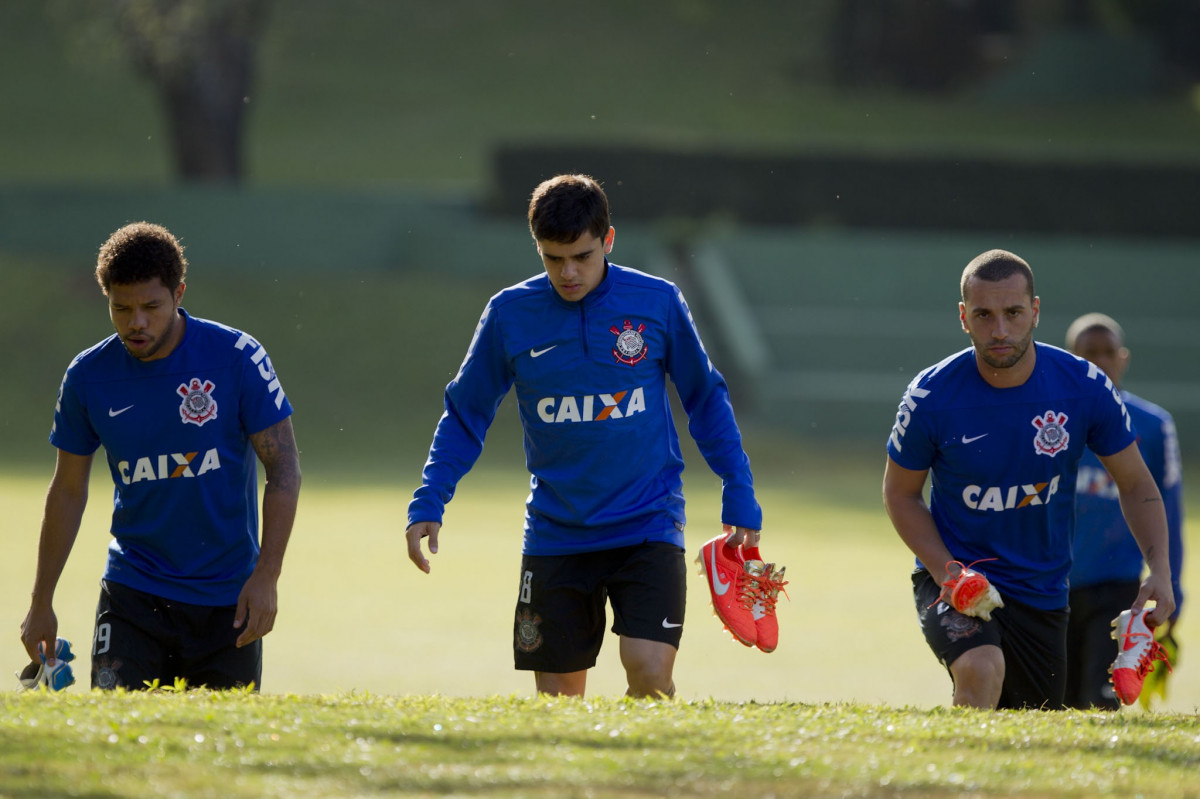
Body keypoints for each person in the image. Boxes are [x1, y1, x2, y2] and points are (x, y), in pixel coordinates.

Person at [404, 174, 763, 698]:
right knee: (558, 700)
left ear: (608, 241)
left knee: (650, 671)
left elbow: (705, 398)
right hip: (556, 531)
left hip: (648, 522)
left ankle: (642, 782)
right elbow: (465, 413)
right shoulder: (509, 315)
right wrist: (430, 498)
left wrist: (739, 489)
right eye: (553, 259)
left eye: (582, 256)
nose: (568, 273)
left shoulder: (657, 302)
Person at [882, 249, 1174, 710]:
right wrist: (947, 571)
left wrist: (1159, 571)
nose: (999, 330)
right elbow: (900, 495)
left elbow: (1136, 484)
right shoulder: (929, 396)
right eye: (984, 315)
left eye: (1013, 312)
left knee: (1033, 718)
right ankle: (956, 781)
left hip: (1043, 589)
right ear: (964, 317)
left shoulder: (1085, 386)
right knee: (980, 669)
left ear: (1034, 311)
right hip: (955, 577)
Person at [20, 222, 301, 691]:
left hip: (227, 600)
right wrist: (41, 600)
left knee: (224, 750)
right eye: (121, 308)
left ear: (179, 293)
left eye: (151, 306)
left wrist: (266, 576)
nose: (137, 323)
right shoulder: (88, 377)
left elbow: (284, 470)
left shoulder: (236, 358)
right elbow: (67, 490)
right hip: (133, 594)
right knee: (118, 740)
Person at [1064, 312, 1185, 710]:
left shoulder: (1152, 425)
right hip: (1052, 585)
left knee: (1101, 703)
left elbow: (1168, 512)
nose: (1099, 361)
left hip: (1117, 590)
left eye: (1107, 352)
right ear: (1071, 359)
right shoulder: (1050, 423)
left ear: (1124, 358)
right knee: (1052, 702)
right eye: (1088, 353)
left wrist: (1173, 592)